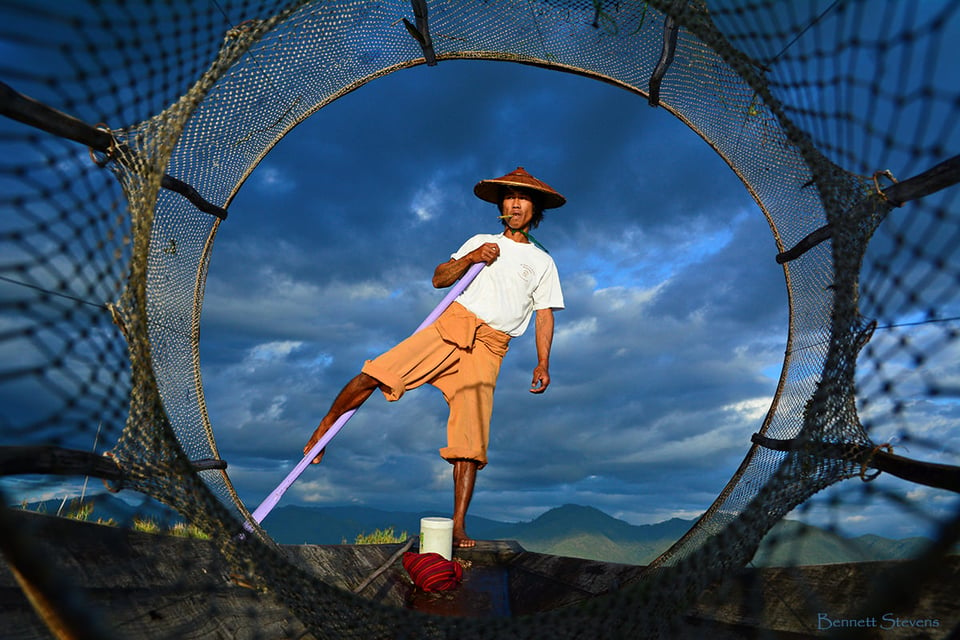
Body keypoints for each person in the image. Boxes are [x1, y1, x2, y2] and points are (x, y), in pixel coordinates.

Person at [303, 167, 566, 548]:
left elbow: (544, 315)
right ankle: (325, 427)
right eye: (508, 197)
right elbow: (440, 278)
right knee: (378, 372)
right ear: (500, 206)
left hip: (491, 346)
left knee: (470, 441)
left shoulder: (543, 263)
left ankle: (458, 527)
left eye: (522, 198)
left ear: (534, 209)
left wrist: (543, 362)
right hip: (453, 326)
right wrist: (473, 257)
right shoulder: (481, 240)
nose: (514, 204)